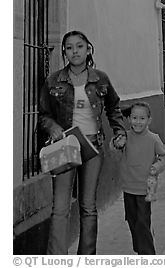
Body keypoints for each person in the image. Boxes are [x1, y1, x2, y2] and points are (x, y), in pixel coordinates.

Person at [39, 30, 126, 255]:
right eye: (69, 47)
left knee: (88, 207)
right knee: (60, 208)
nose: (74, 51)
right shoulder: (53, 80)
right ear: (64, 53)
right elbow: (44, 114)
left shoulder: (101, 79)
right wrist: (54, 127)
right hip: (66, 147)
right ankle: (57, 258)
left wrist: (118, 131)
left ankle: (86, 257)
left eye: (79, 46)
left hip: (93, 148)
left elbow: (113, 108)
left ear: (88, 49)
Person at [116, 101, 165, 255]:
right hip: (128, 187)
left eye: (142, 119)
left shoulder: (153, 139)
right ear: (129, 119)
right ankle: (140, 249)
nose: (137, 122)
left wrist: (157, 167)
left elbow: (164, 156)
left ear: (149, 120)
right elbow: (114, 150)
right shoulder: (125, 136)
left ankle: (147, 255)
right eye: (134, 118)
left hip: (145, 189)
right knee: (132, 221)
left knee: (143, 222)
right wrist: (117, 144)